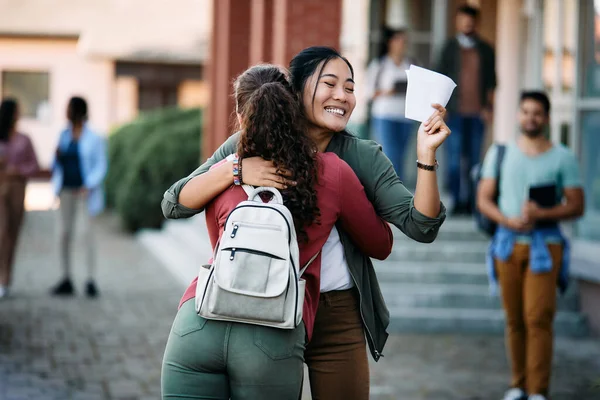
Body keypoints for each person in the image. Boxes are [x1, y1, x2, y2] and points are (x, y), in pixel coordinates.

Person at [162, 46, 450, 400]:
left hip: (336, 312)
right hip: (265, 306)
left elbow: (420, 225)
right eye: (330, 84)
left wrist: (426, 156)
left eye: (350, 87)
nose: (342, 96)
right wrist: (235, 169)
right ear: (295, 91)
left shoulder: (361, 156)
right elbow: (175, 201)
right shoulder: (247, 144)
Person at [476, 91, 585, 400]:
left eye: (537, 113)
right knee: (514, 320)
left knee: (538, 319)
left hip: (545, 246)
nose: (530, 118)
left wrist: (542, 214)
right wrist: (507, 221)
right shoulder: (501, 153)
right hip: (506, 245)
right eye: (525, 112)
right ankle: (518, 385)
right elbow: (483, 199)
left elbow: (577, 205)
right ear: (518, 115)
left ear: (547, 118)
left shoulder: (562, 156)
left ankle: (538, 391)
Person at [436, 4, 496, 215]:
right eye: (463, 19)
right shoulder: (448, 48)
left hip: (477, 113)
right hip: (454, 113)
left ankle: (472, 201)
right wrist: (442, 108)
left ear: (476, 23)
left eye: (471, 20)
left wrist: (489, 107)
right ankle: (455, 200)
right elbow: (440, 81)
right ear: (457, 22)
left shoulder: (486, 49)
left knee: (474, 159)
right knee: (453, 160)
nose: (467, 23)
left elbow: (491, 83)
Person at [50, 96, 107, 297]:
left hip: (84, 193)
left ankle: (90, 280)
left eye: (70, 108)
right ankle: (66, 278)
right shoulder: (63, 135)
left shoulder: (95, 137)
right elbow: (55, 164)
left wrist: (89, 184)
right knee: (63, 234)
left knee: (86, 235)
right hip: (65, 190)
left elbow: (101, 165)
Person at [0, 98, 40, 299]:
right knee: (2, 232)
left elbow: (34, 166)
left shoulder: (24, 139)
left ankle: (6, 278)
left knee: (12, 234)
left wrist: (18, 170)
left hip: (17, 189)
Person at [366, 27, 417, 179]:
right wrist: (387, 92)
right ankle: (387, 188)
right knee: (389, 154)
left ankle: (397, 189)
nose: (402, 44)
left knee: (401, 156)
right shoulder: (380, 64)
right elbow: (368, 93)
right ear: (390, 42)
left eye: (404, 40)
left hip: (405, 116)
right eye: (398, 40)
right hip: (385, 115)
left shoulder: (411, 64)